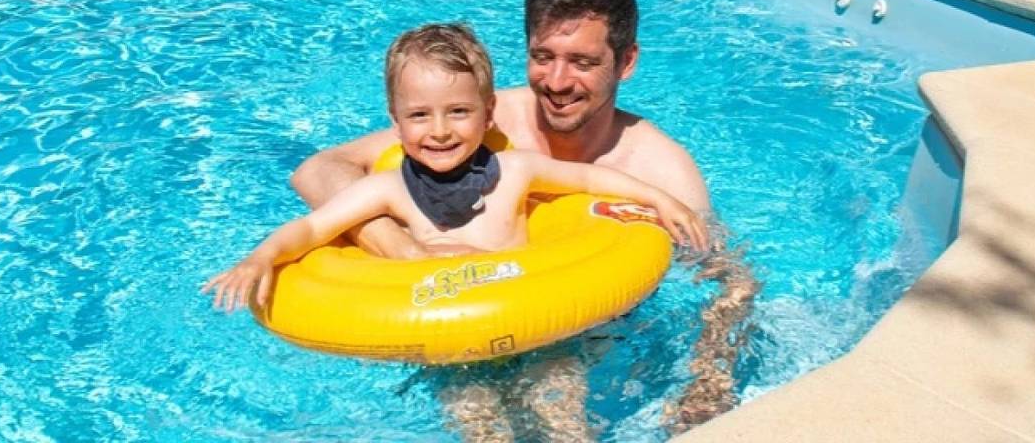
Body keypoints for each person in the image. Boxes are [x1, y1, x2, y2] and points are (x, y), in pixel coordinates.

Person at [290, 0, 759, 433]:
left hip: (586, 337)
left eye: (583, 62)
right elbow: (320, 170)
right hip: (463, 326)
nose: (556, 83)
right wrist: (401, 250)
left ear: (627, 61)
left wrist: (709, 381)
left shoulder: (659, 171)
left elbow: (731, 283)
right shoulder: (480, 123)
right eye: (542, 56)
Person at [203, 21, 707, 313]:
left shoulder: (516, 171)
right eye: (419, 116)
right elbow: (311, 227)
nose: (439, 131)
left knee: (563, 409)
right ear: (395, 124)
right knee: (477, 416)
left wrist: (660, 198)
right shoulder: (386, 190)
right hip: (451, 326)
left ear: (489, 115)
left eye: (459, 112)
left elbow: (593, 179)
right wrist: (260, 258)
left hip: (534, 312)